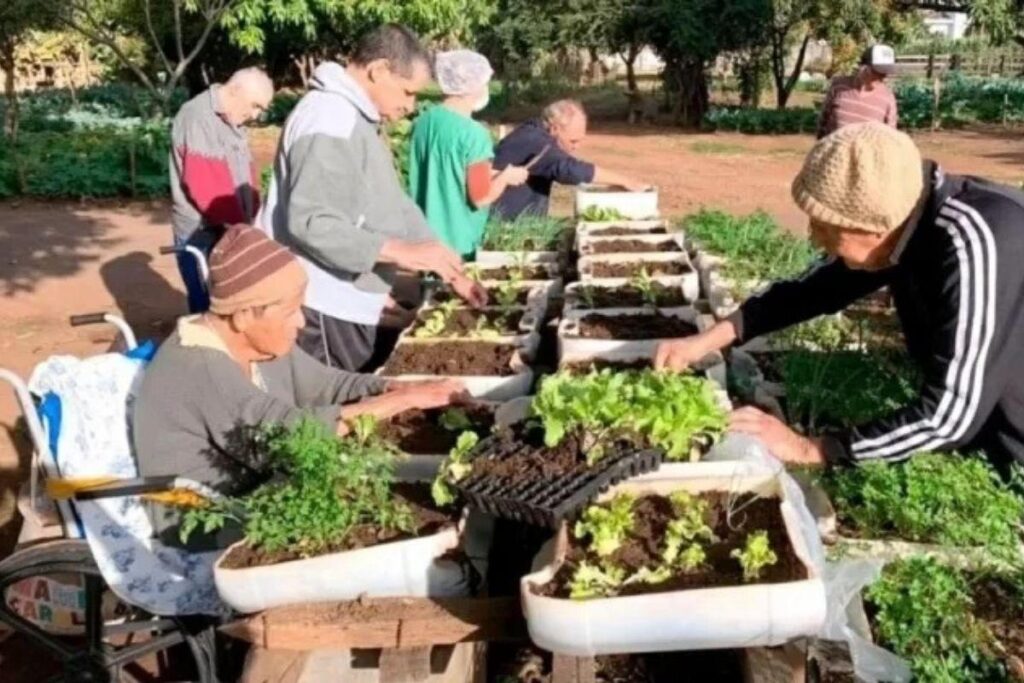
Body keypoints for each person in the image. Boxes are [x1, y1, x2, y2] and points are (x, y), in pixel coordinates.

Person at [656, 122, 1024, 473]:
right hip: (985, 426)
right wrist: (708, 340)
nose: (815, 238)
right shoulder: (907, 216)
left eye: (826, 227)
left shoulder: (977, 241)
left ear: (875, 228)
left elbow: (949, 416)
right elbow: (813, 290)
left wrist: (812, 448)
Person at [134, 226, 467, 544]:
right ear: (244, 315)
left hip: (265, 491)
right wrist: (400, 401)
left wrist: (398, 387)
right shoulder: (199, 367)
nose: (301, 321)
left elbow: (327, 384)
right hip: (211, 523)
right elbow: (287, 436)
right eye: (290, 311)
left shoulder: (257, 342)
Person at [261, 24, 486, 373]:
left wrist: (445, 264)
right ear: (378, 70)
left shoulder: (355, 117)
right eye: (408, 92)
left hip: (346, 294)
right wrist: (402, 252)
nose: (410, 106)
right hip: (322, 302)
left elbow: (391, 202)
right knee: (335, 404)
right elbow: (313, 224)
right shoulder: (329, 118)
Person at [169, 67, 274, 313]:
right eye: (255, 105)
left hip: (230, 229)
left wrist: (253, 217)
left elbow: (248, 175)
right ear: (235, 90)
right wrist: (242, 231)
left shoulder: (232, 120)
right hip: (202, 233)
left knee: (232, 303)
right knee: (209, 307)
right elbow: (206, 187)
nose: (256, 115)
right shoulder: (198, 117)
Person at [408, 50, 530, 259]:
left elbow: (446, 168)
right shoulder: (474, 135)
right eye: (483, 82)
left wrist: (491, 172)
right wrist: (505, 178)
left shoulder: (424, 122)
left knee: (430, 290)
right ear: (470, 87)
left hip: (426, 238)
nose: (485, 88)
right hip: (460, 243)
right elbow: (480, 197)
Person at [490, 99, 648, 219]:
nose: (576, 147)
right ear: (554, 129)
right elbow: (569, 170)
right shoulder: (536, 142)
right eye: (573, 141)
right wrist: (626, 181)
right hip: (503, 222)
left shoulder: (535, 132)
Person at [817, 44, 898, 139]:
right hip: (835, 151)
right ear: (862, 67)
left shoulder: (887, 98)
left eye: (885, 73)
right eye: (878, 71)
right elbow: (823, 121)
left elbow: (891, 138)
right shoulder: (838, 87)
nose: (883, 77)